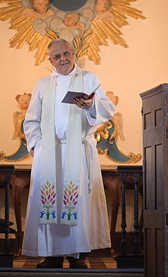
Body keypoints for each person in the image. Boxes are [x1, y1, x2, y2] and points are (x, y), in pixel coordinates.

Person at [22, 39, 115, 269]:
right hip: (50, 154)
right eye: (57, 56)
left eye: (66, 53)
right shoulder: (42, 84)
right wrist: (37, 147)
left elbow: (108, 108)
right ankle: (51, 255)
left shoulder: (89, 78)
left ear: (73, 53)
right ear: (50, 60)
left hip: (78, 151)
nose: (63, 59)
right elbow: (31, 120)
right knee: (50, 202)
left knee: (78, 201)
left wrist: (91, 106)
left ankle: (77, 256)